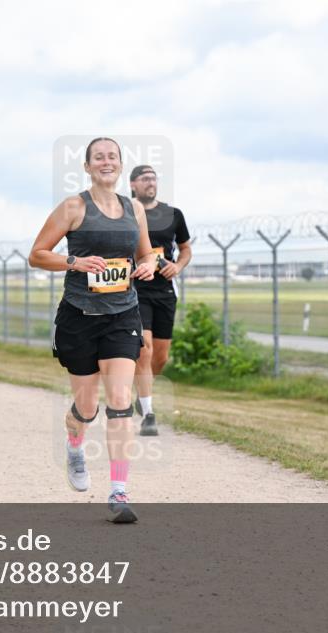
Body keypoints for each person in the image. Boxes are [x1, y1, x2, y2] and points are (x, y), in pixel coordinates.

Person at [28, 137, 156, 523]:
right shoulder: (73, 206)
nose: (106, 162)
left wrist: (148, 264)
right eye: (98, 157)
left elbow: (145, 252)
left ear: (120, 165)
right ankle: (75, 442)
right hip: (79, 316)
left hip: (122, 315)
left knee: (120, 399)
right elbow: (37, 254)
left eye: (112, 156)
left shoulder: (134, 208)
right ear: (87, 166)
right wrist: (74, 262)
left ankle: (119, 491)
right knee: (86, 407)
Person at [129, 165, 192, 436]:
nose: (150, 183)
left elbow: (186, 248)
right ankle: (149, 413)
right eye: (144, 179)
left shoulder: (173, 214)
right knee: (146, 349)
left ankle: (143, 395)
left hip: (165, 291)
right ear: (133, 184)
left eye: (153, 178)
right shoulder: (126, 212)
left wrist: (177, 266)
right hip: (137, 289)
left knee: (161, 357)